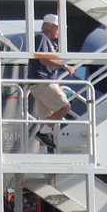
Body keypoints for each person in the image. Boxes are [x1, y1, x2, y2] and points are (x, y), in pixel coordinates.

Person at [29, 14, 70, 150]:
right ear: (49, 26)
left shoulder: (48, 41)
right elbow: (43, 59)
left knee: (45, 119)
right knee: (64, 107)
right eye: (57, 28)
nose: (59, 31)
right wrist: (64, 66)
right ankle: (43, 134)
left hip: (41, 83)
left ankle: (42, 152)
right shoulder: (42, 38)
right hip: (43, 81)